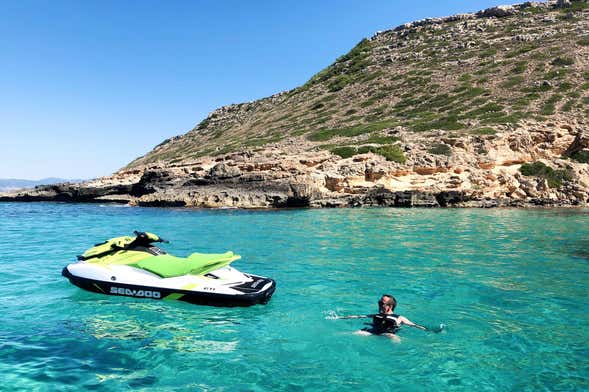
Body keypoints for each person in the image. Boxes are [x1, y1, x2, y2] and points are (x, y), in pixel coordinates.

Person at [345, 294, 426, 340]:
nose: (379, 304)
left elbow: (413, 325)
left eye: (382, 303)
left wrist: (429, 330)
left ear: (390, 306)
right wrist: (339, 317)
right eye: (379, 302)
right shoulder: (375, 315)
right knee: (352, 333)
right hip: (372, 332)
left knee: (395, 339)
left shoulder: (400, 318)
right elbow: (358, 316)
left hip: (388, 334)